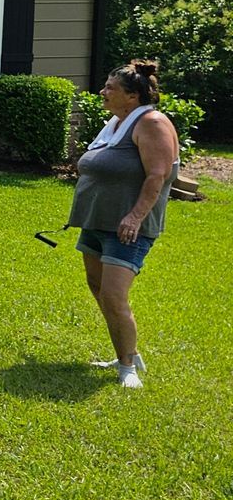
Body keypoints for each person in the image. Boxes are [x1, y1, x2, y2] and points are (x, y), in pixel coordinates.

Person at [67, 60, 180, 389]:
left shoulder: (151, 123)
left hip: (128, 227)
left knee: (115, 296)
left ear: (132, 96)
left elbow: (158, 175)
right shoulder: (117, 122)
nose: (103, 92)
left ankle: (128, 368)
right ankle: (124, 352)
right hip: (98, 221)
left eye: (110, 88)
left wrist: (134, 216)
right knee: (99, 289)